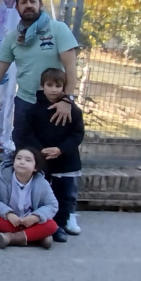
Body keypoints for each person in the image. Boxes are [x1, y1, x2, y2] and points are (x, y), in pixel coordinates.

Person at [0, 0, 79, 144]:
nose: (28, 5)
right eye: (24, 2)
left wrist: (67, 100)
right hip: (25, 102)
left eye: (32, 1)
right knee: (23, 149)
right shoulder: (12, 38)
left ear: (40, 4)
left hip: (54, 103)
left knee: (51, 149)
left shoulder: (58, 29)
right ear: (17, 8)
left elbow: (70, 68)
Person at [25, 68, 84, 242]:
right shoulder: (33, 110)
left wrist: (61, 149)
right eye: (49, 85)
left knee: (63, 196)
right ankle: (40, 224)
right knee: (40, 195)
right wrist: (40, 150)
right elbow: (27, 133)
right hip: (42, 160)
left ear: (64, 87)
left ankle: (59, 226)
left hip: (66, 161)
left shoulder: (74, 111)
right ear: (42, 86)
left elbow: (77, 134)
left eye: (58, 86)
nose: (53, 89)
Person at [0, 148, 59, 249]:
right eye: (18, 158)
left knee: (52, 225)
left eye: (28, 160)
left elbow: (52, 205)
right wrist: (8, 214)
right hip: (9, 220)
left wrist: (35, 217)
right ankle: (37, 236)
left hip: (31, 221)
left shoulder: (42, 183)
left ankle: (10, 237)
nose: (22, 162)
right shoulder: (1, 179)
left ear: (35, 167)